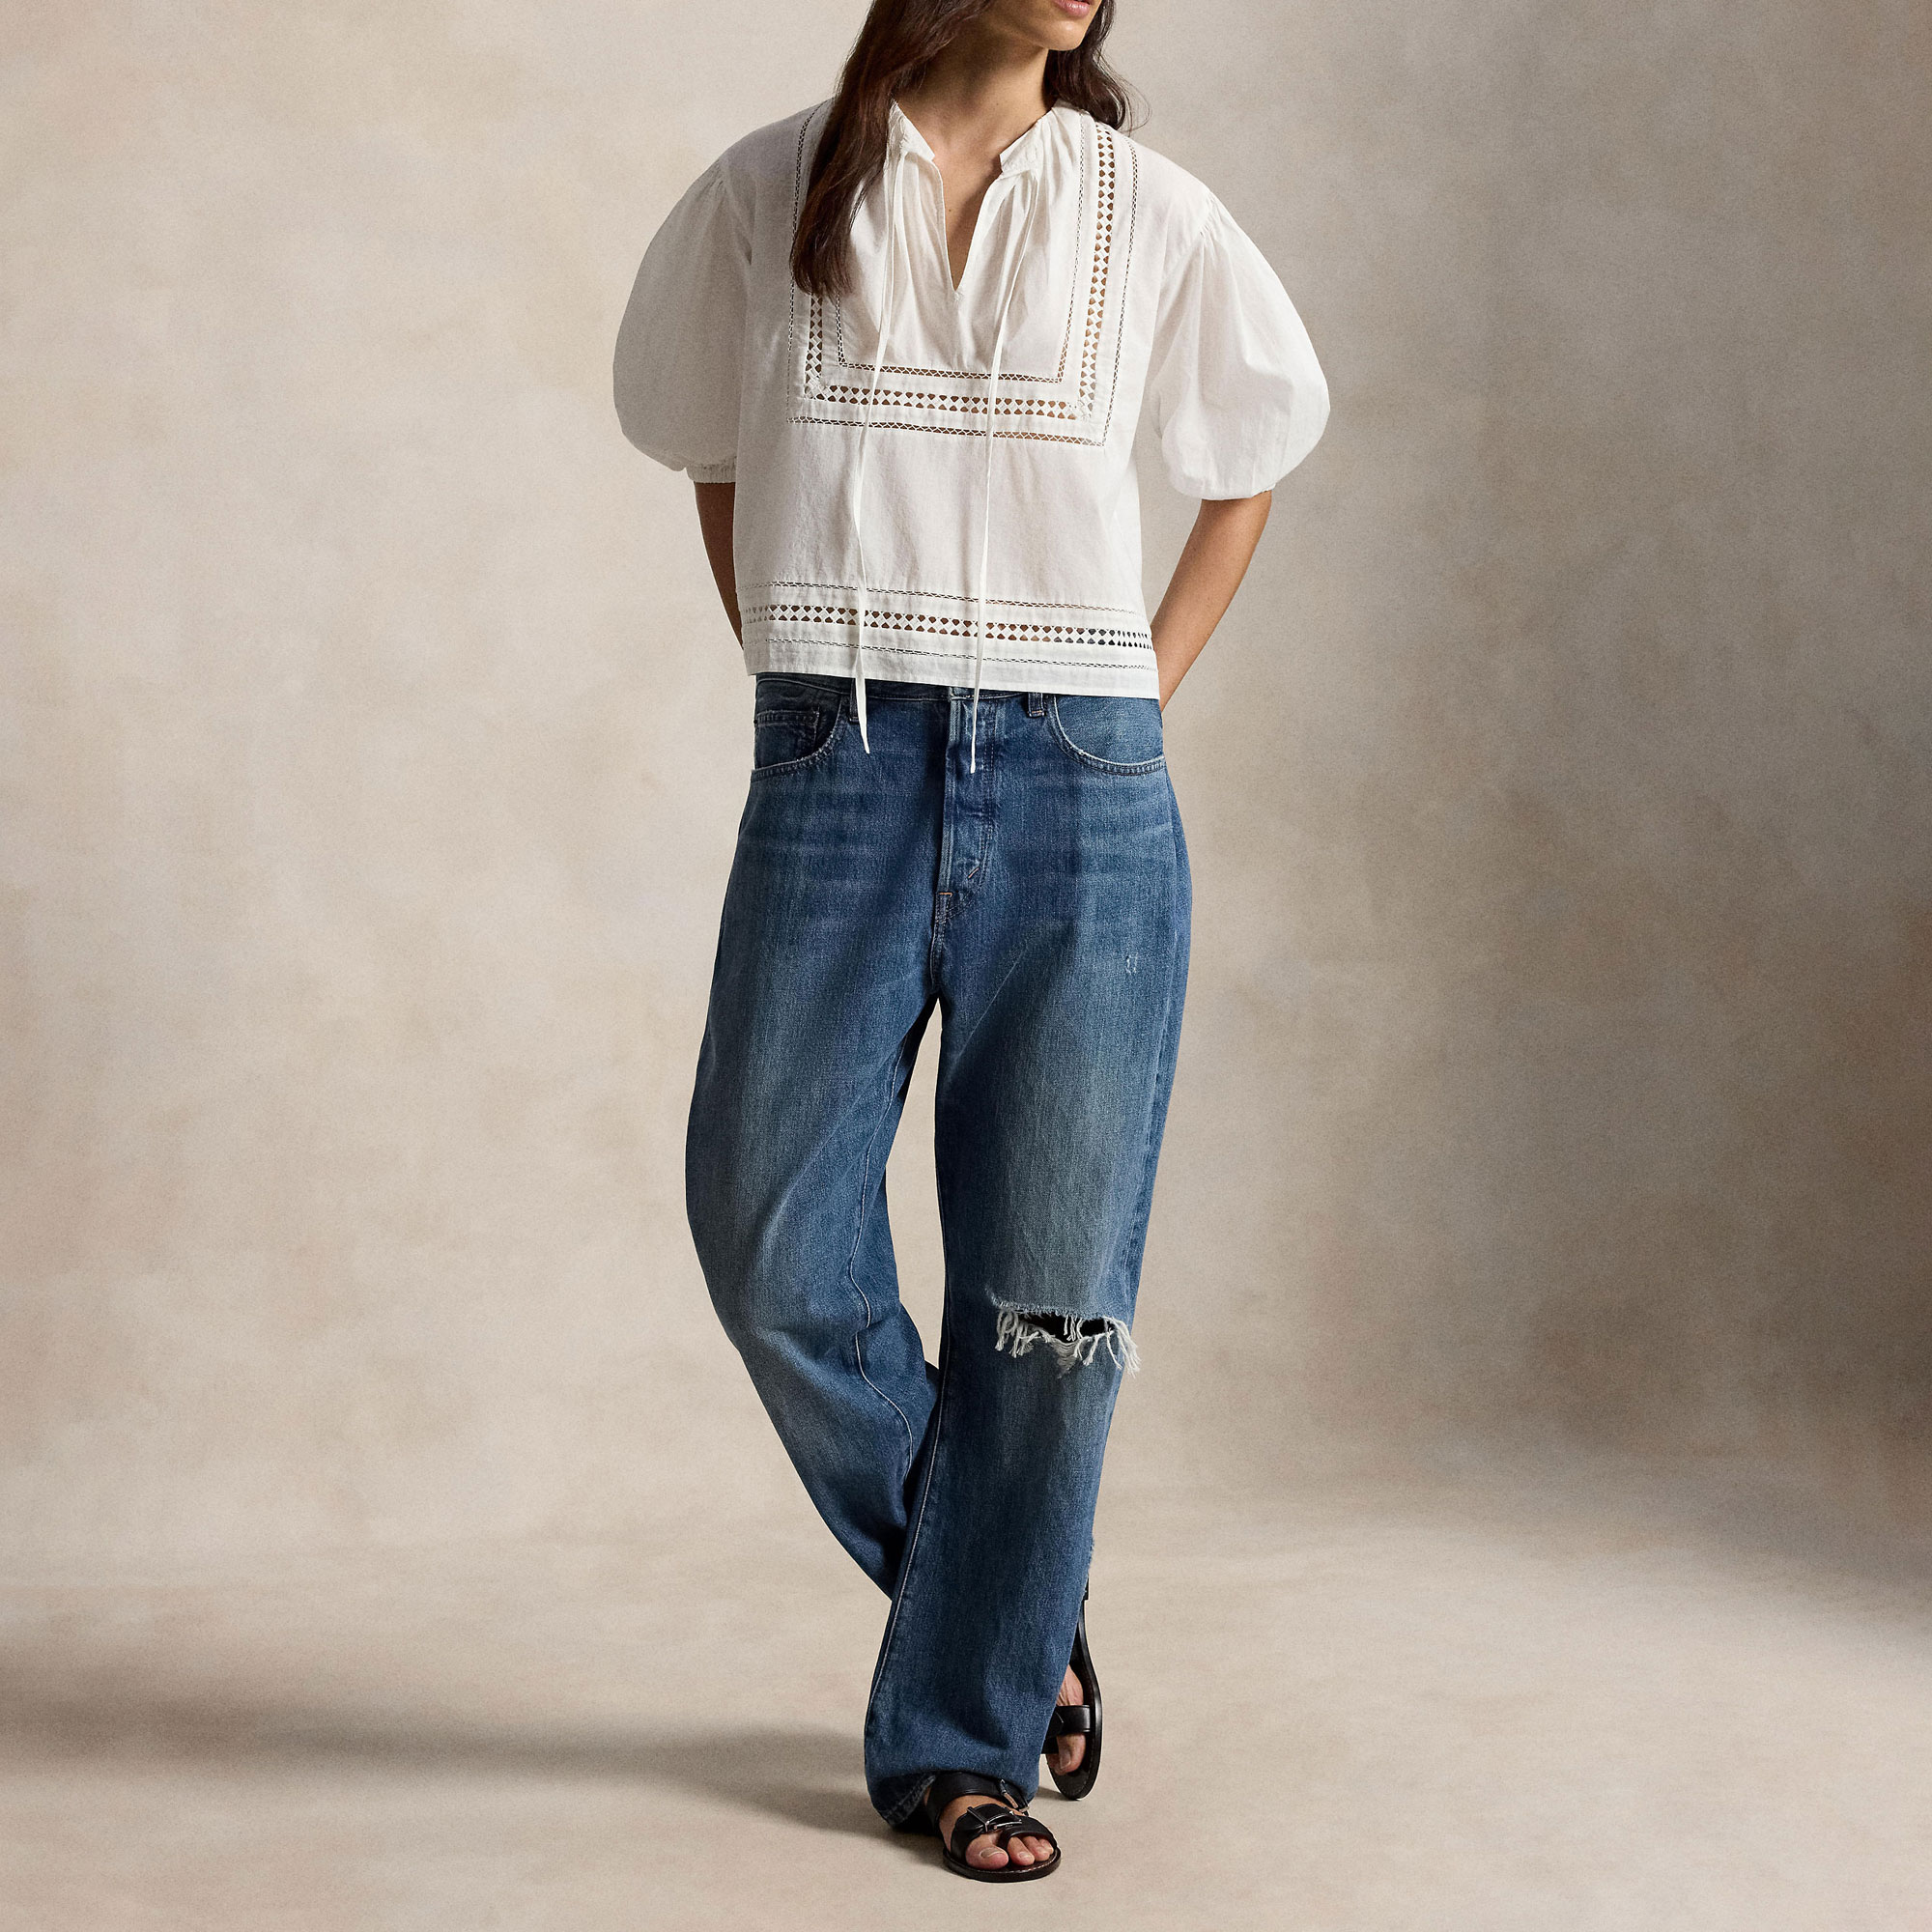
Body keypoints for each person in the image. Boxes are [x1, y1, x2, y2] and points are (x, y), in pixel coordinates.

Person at [613, 0, 1326, 1884]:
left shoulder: (1144, 210)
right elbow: (706, 447)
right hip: (837, 752)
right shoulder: (774, 188)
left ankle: (962, 1739)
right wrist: (792, 673)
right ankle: (1006, 1610)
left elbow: (1251, 454)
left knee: (1047, 1306)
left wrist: (1133, 696)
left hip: (1083, 779)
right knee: (767, 1231)